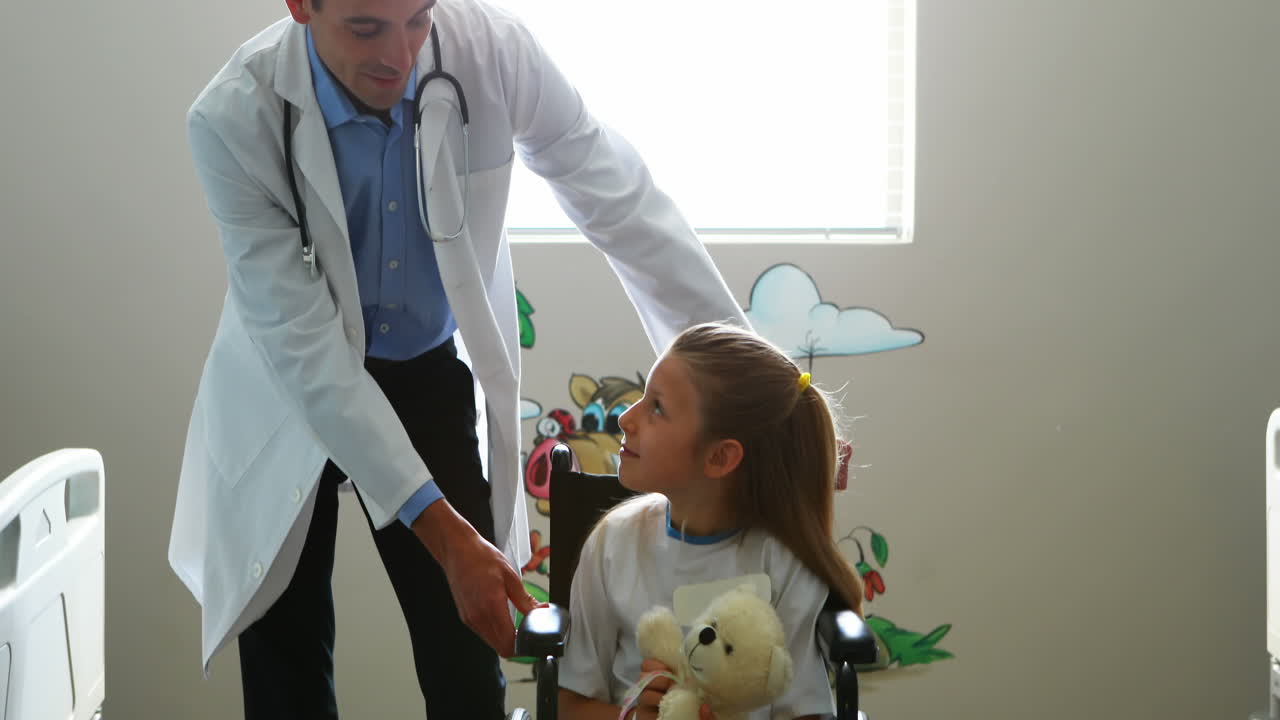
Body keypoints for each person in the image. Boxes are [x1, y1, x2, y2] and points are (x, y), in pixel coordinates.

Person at [165, 0, 749, 717]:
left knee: (466, 663)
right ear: (299, 6)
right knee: (286, 665)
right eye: (366, 26)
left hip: (425, 369)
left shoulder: (493, 52)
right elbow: (308, 350)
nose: (401, 54)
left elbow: (618, 198)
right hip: (291, 384)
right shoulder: (234, 117)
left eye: (418, 18)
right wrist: (444, 533)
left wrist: (756, 384)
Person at [558, 322, 864, 720]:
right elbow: (567, 706)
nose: (626, 419)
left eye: (657, 408)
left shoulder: (784, 561)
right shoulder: (613, 543)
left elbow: (804, 712)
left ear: (720, 457)